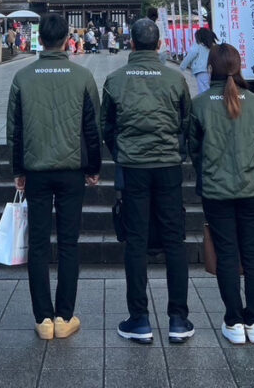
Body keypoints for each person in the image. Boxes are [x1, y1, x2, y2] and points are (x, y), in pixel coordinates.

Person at [7, 12, 101, 340]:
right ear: (66, 40)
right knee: (69, 242)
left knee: (38, 244)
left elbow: (14, 129)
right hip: (72, 169)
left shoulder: (23, 77)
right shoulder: (82, 77)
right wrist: (93, 168)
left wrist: (17, 170)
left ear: (39, 40)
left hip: (36, 170)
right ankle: (64, 315)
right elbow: (92, 127)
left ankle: (43, 319)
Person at [101, 17, 194, 344]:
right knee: (174, 238)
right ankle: (178, 318)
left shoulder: (115, 80)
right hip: (168, 165)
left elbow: (107, 128)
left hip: (133, 166)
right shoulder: (175, 78)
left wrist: (121, 152)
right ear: (158, 45)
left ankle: (139, 318)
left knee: (135, 240)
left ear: (131, 43)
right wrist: (177, 151)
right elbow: (186, 121)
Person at [188, 43, 254, 345]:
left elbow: (193, 149)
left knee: (226, 254)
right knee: (253, 252)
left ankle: (234, 320)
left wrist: (208, 168)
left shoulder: (199, 104)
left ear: (211, 68)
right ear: (238, 66)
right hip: (252, 187)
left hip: (216, 189)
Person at [180, 27, 218, 93]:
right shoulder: (213, 45)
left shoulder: (198, 45)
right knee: (211, 89)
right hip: (213, 71)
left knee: (203, 91)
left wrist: (182, 66)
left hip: (201, 71)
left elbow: (190, 55)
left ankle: (205, 102)